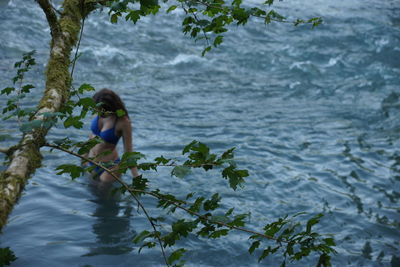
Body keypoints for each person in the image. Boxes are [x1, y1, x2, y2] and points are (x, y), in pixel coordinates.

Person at [86, 88, 139, 183]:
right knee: (90, 193)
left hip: (110, 167)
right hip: (91, 161)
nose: (98, 112)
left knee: (103, 194)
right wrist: (83, 155)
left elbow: (128, 152)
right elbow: (92, 135)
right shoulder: (100, 112)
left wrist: (137, 177)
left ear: (110, 107)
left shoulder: (123, 122)